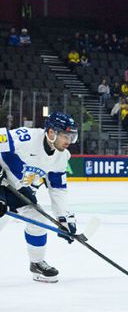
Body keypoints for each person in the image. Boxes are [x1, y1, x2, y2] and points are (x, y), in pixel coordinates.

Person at [0, 112, 78, 282]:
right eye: (66, 136)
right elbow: (1, 138)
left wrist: (63, 218)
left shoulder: (61, 156)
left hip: (19, 190)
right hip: (1, 181)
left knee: (38, 219)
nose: (69, 141)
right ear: (51, 132)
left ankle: (36, 264)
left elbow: (57, 188)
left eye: (72, 136)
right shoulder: (27, 137)